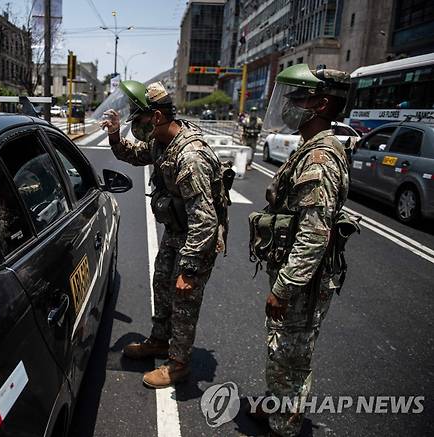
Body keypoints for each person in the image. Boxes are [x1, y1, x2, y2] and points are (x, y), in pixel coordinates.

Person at [247, 64, 359, 436]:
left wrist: (283, 286)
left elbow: (314, 235)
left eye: (298, 97)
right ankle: (275, 405)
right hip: (294, 274)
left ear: (321, 104)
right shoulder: (311, 148)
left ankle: (284, 424)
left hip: (302, 282)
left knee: (292, 354)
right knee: (280, 347)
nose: (289, 104)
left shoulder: (320, 158)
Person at [100, 81, 231, 388]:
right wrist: (115, 134)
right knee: (162, 286)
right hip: (176, 231)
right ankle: (160, 340)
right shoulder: (162, 141)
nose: (136, 125)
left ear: (156, 117)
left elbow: (205, 219)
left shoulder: (190, 156)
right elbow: (133, 154)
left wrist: (189, 269)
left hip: (197, 238)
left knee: (183, 299)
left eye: (139, 119)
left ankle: (179, 363)